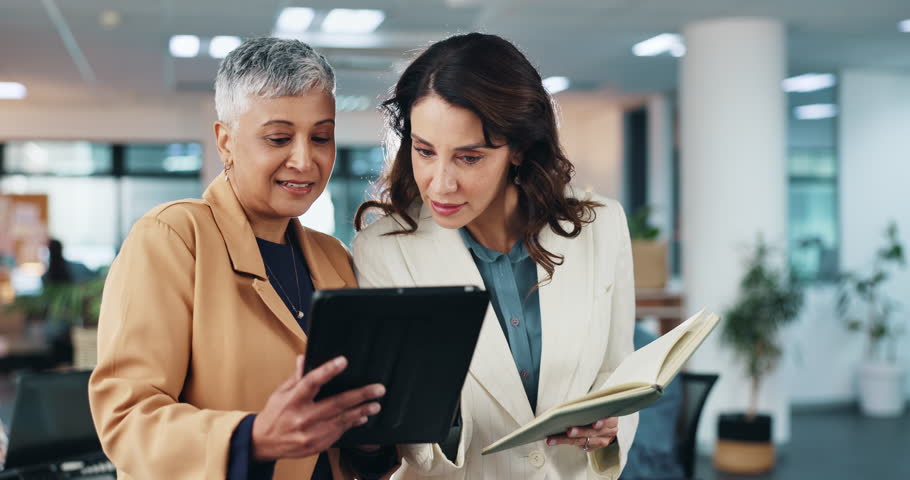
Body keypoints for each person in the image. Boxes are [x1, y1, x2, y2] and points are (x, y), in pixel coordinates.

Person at [88, 37, 395, 479]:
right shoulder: (174, 238)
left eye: (321, 137)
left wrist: (368, 439)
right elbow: (125, 420)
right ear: (225, 141)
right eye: (278, 138)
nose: (304, 160)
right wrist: (252, 437)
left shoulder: (334, 258)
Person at [352, 33, 638, 479]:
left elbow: (618, 372)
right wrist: (438, 423)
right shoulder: (383, 251)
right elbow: (403, 436)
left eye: (468, 158)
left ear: (519, 148)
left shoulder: (601, 227)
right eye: (425, 151)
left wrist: (608, 426)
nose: (440, 183)